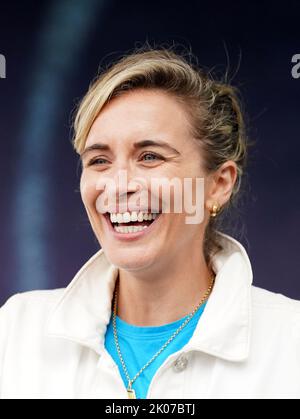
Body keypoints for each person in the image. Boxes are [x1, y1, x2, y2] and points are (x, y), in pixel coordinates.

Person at [1, 45, 300, 400]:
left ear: (218, 185)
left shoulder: (289, 341)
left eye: (150, 156)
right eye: (99, 160)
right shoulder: (16, 330)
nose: (120, 184)